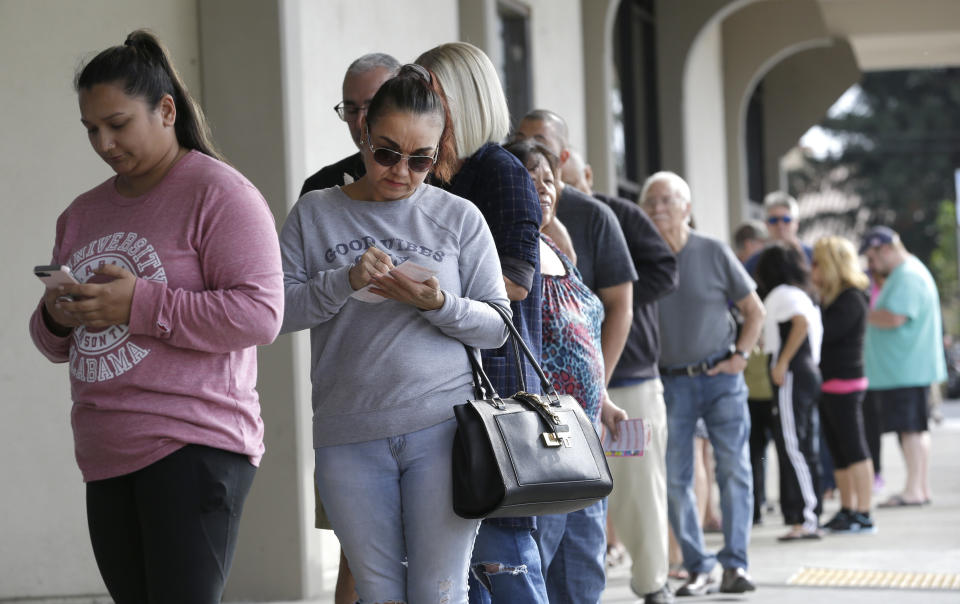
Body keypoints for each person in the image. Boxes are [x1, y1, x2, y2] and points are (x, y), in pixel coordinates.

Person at [28, 30, 284, 603]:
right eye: (91, 129)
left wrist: (139, 304)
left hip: (193, 443)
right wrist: (59, 314)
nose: (104, 142)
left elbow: (261, 314)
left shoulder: (219, 194)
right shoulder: (82, 213)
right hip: (104, 450)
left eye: (117, 124)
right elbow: (51, 343)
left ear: (166, 110)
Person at [280, 64, 510, 602]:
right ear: (362, 134)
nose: (401, 171)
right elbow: (277, 312)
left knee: (440, 589)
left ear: (438, 153)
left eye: (421, 159)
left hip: (443, 428)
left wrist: (438, 304)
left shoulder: (459, 217)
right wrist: (343, 280)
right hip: (347, 432)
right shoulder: (315, 213)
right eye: (386, 152)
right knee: (379, 592)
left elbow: (499, 326)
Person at [415, 42, 549, 604]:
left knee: (506, 564)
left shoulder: (499, 170)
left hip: (496, 400)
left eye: (431, 93)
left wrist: (429, 293)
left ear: (462, 99)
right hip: (437, 399)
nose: (419, 105)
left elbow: (516, 284)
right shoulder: (431, 173)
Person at [503, 138, 628, 604]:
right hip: (543, 443)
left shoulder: (556, 245)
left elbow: (586, 335)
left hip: (585, 440)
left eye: (549, 178)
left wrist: (606, 399)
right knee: (541, 571)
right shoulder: (509, 251)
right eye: (529, 178)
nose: (543, 187)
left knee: (583, 574)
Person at [298, 50, 400, 604]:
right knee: (356, 559)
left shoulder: (440, 190)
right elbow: (291, 298)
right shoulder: (320, 194)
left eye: (374, 105)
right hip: (348, 405)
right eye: (351, 109)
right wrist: (345, 279)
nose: (362, 120)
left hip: (432, 409)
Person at [561, 150, 680, 604]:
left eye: (564, 176)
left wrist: (608, 301)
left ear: (586, 174)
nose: (551, 183)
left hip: (628, 381)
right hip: (566, 392)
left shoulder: (617, 215)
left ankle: (653, 583)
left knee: (637, 485)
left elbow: (665, 270)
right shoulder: (528, 211)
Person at [642, 171, 764, 596]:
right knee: (675, 480)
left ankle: (736, 564)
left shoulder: (712, 251)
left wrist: (740, 357)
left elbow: (755, 311)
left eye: (666, 200)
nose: (657, 208)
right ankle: (698, 566)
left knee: (734, 470)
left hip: (721, 380)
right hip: (670, 384)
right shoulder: (645, 260)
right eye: (650, 202)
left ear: (686, 208)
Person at [513, 110, 637, 390]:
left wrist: (601, 390)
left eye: (539, 140)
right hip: (536, 407)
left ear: (563, 159)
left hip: (585, 408)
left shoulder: (593, 216)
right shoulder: (504, 233)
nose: (528, 146)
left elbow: (620, 306)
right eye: (520, 138)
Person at [861, 226, 946, 508]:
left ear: (885, 248)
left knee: (909, 431)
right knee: (914, 430)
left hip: (905, 369)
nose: (871, 265)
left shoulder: (907, 275)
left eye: (872, 258)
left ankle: (913, 490)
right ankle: (918, 487)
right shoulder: (908, 272)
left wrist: (863, 315)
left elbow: (896, 317)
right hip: (906, 368)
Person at [755, 243, 824, 541]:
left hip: (793, 372)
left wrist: (781, 362)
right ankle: (805, 516)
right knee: (803, 444)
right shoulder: (801, 294)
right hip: (806, 371)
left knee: (793, 445)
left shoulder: (782, 295)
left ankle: (806, 517)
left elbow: (801, 323)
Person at [811, 236, 876, 533]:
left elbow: (827, 334)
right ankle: (848, 509)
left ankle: (864, 513)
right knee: (839, 452)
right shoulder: (832, 297)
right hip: (828, 383)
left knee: (855, 449)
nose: (812, 270)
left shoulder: (852, 297)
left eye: (816, 264)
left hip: (846, 383)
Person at [301, 52, 400, 195]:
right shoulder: (320, 188)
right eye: (351, 109)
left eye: (372, 107)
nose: (360, 123)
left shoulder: (439, 185)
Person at [733, 221, 778, 526]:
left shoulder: (746, 290)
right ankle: (759, 505)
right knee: (758, 449)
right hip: (757, 382)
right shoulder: (748, 284)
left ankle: (758, 507)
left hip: (757, 381)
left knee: (755, 449)